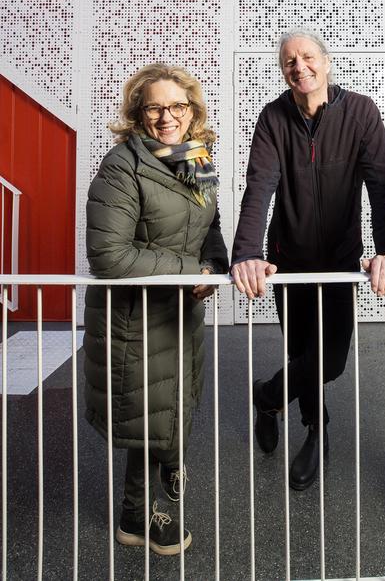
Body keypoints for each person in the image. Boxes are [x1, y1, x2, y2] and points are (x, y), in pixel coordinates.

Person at [231, 29, 385, 490]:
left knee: (330, 362)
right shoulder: (272, 118)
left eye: (308, 57)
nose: (299, 67)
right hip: (287, 260)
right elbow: (259, 188)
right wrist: (247, 253)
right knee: (302, 352)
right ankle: (315, 430)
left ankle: (268, 397)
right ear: (282, 71)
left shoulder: (361, 112)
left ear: (326, 63)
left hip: (339, 260)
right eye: (289, 61)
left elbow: (380, 186)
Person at [84, 63, 229, 555]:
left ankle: (135, 518)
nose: (167, 117)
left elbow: (209, 226)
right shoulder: (122, 164)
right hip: (135, 319)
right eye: (155, 108)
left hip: (180, 314)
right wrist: (193, 269)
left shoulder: (197, 159)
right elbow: (109, 255)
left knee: (170, 412)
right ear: (138, 113)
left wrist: (214, 265)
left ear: (192, 110)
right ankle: (155, 520)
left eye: (177, 106)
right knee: (153, 420)